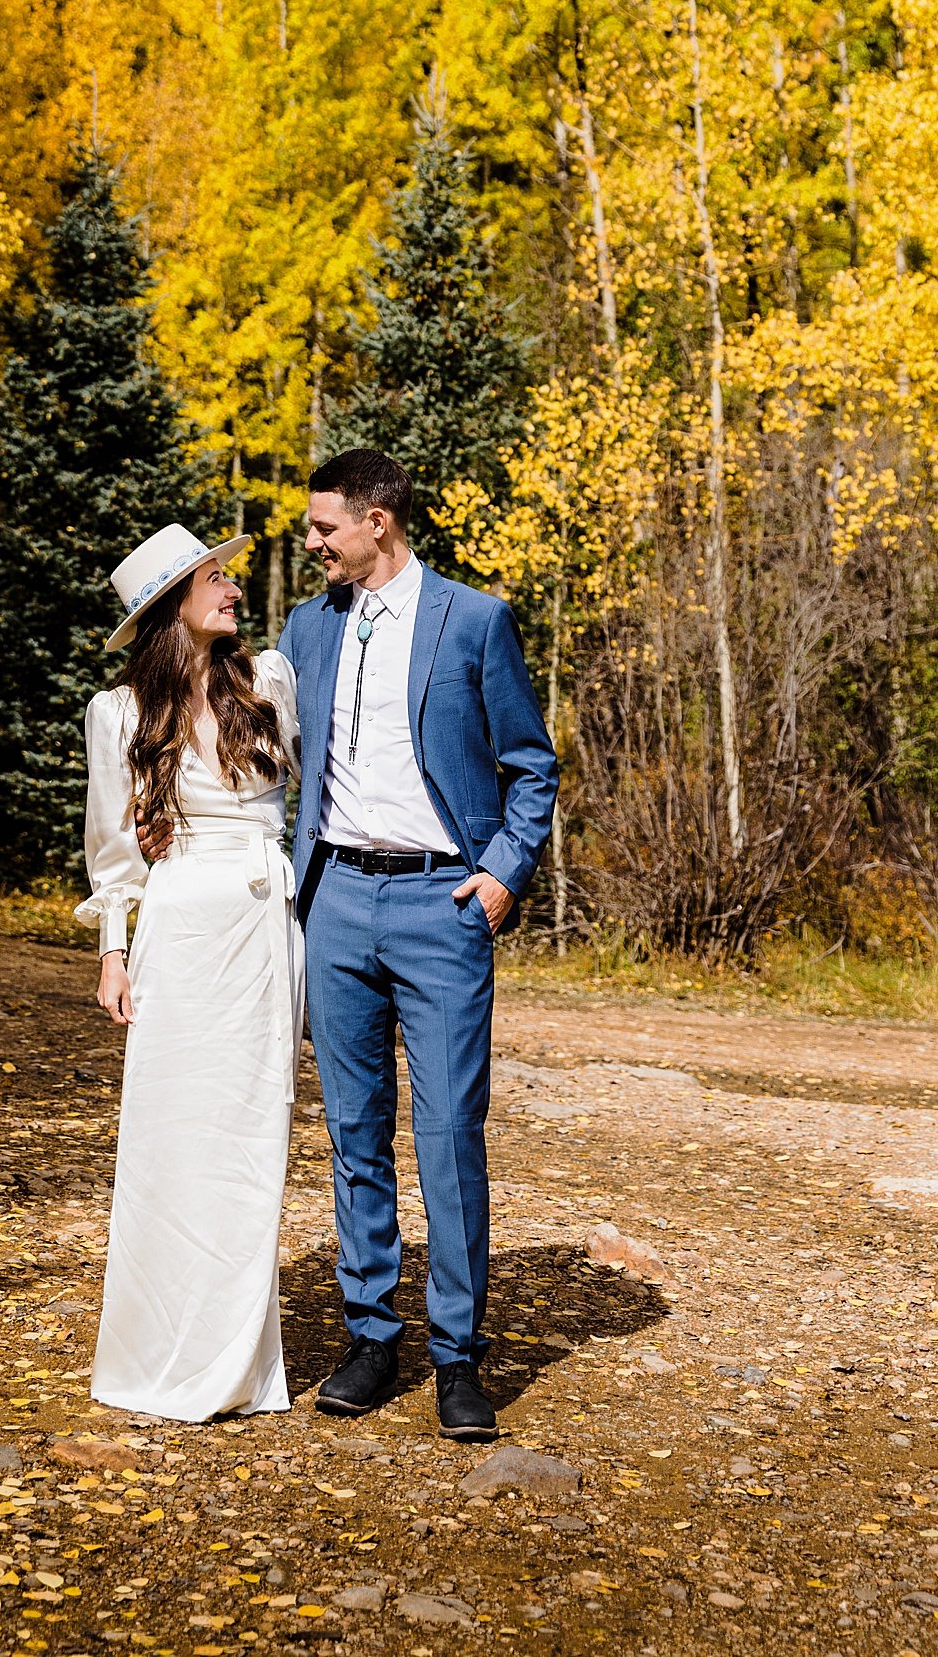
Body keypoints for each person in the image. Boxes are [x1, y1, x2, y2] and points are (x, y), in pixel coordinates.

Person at [280, 447, 558, 1440]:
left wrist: (499, 877)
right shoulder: (305, 627)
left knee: (447, 1136)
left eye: (324, 529)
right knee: (355, 1130)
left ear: (378, 524)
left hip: (443, 906)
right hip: (338, 900)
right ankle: (369, 1335)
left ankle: (456, 1356)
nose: (310, 543)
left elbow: (531, 764)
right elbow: (267, 752)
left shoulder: (473, 620)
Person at [77, 521, 302, 1421]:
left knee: (252, 1141)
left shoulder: (269, 682)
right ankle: (155, 1355)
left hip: (260, 930)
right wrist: (114, 952)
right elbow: (112, 851)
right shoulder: (122, 714)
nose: (235, 591)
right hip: (180, 934)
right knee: (172, 1142)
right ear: (175, 603)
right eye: (217, 578)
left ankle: (240, 1362)